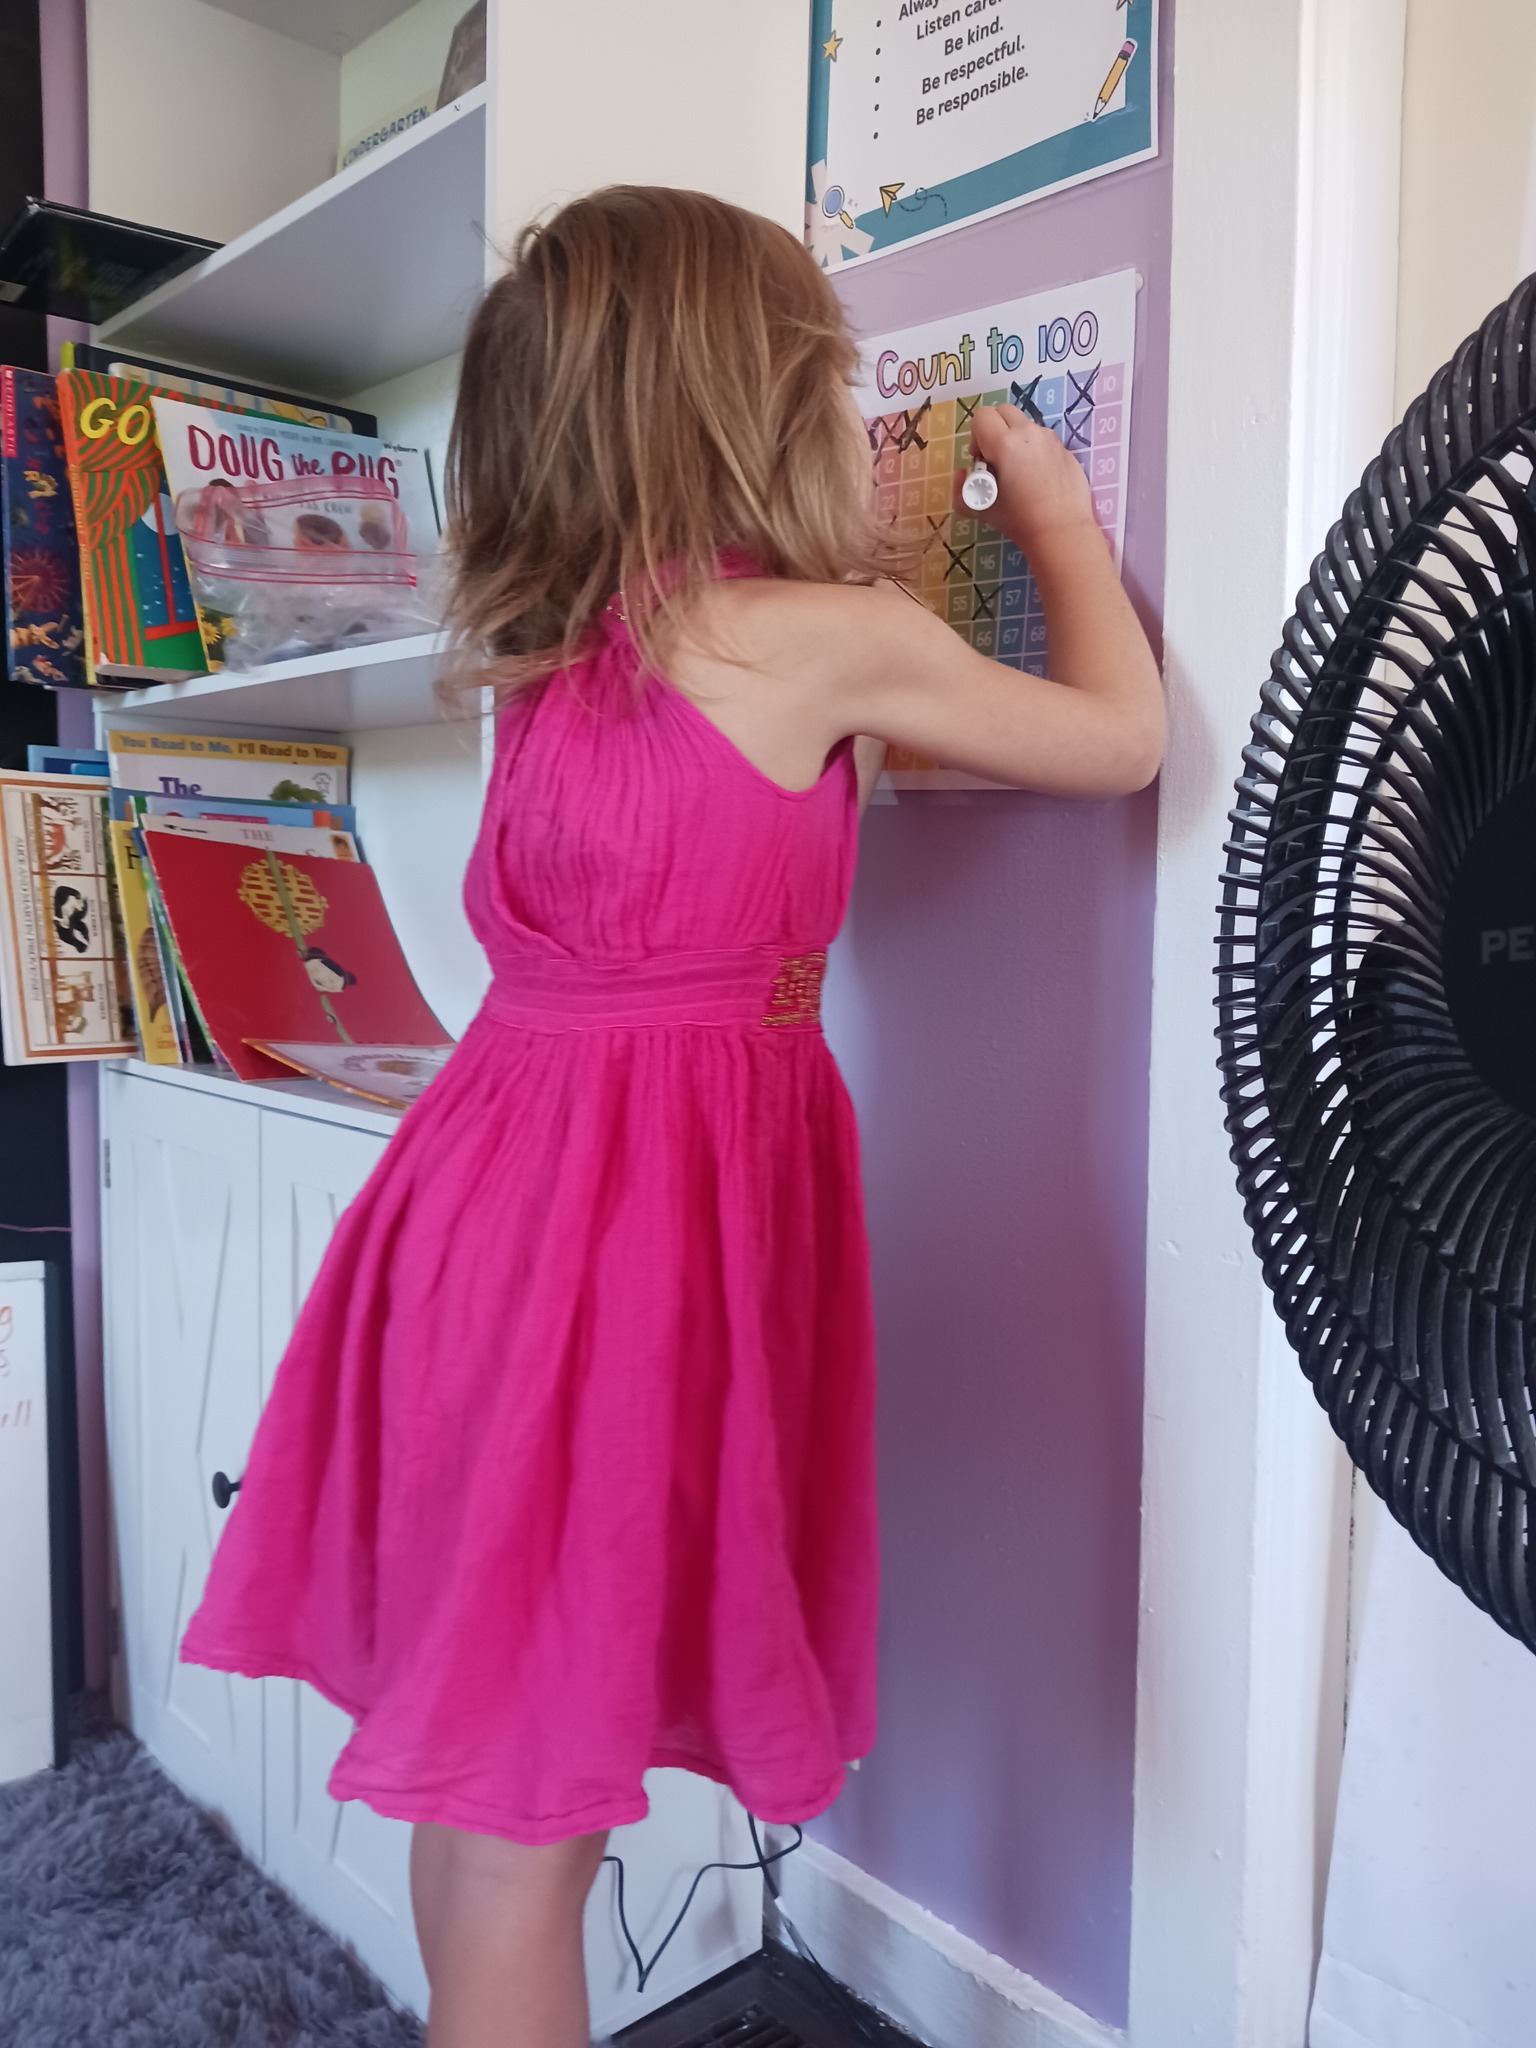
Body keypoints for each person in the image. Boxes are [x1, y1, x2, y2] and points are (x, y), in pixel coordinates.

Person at [179, 185, 1163, 2048]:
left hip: (475, 1214)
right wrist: (1045, 505)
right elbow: (1119, 738)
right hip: (619, 1254)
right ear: (762, 400)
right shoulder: (818, 637)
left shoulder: (560, 660)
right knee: (528, 1826)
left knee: (482, 1796)